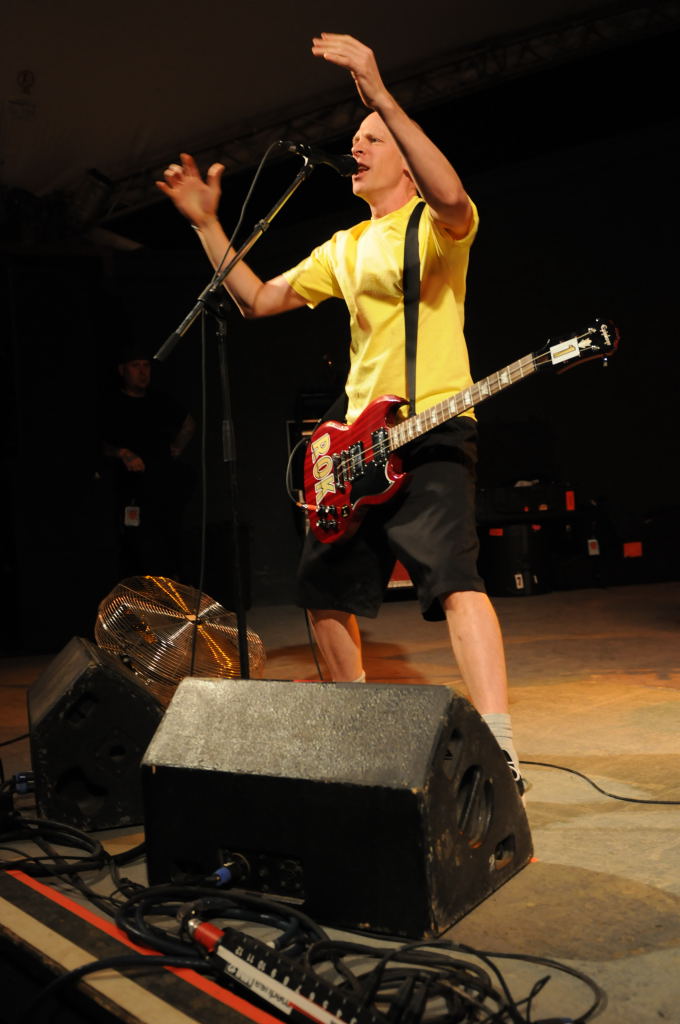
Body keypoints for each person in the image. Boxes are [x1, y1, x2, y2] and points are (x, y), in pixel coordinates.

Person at [157, 33, 523, 790]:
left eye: (372, 138)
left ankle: (501, 748)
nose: (356, 146)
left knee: (455, 580)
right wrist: (205, 223)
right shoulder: (344, 245)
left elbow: (453, 196)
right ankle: (355, 739)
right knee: (322, 591)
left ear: (406, 159)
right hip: (355, 448)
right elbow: (257, 299)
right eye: (355, 137)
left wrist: (381, 93)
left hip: (432, 426)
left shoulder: (436, 226)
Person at [100, 345, 195, 579]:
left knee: (169, 550)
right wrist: (122, 453)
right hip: (129, 492)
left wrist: (177, 448)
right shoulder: (112, 404)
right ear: (123, 370)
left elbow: (188, 423)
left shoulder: (159, 401)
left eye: (146, 366)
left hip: (163, 489)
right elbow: (97, 443)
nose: (143, 372)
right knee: (136, 552)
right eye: (136, 366)